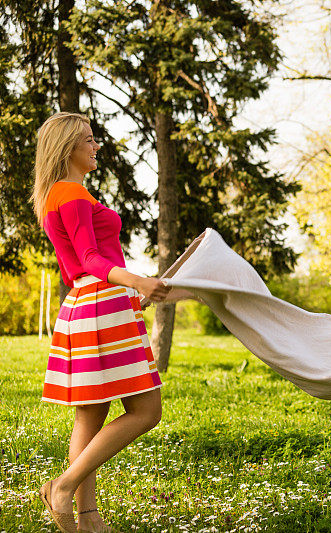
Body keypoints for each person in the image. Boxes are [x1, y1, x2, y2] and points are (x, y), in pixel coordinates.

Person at [31, 112, 171, 533]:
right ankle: (64, 485)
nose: (96, 147)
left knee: (90, 418)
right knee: (147, 411)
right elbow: (91, 260)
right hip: (97, 303)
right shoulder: (69, 191)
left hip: (97, 303)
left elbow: (89, 262)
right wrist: (137, 280)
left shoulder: (66, 192)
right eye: (89, 140)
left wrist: (131, 292)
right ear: (67, 147)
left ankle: (88, 517)